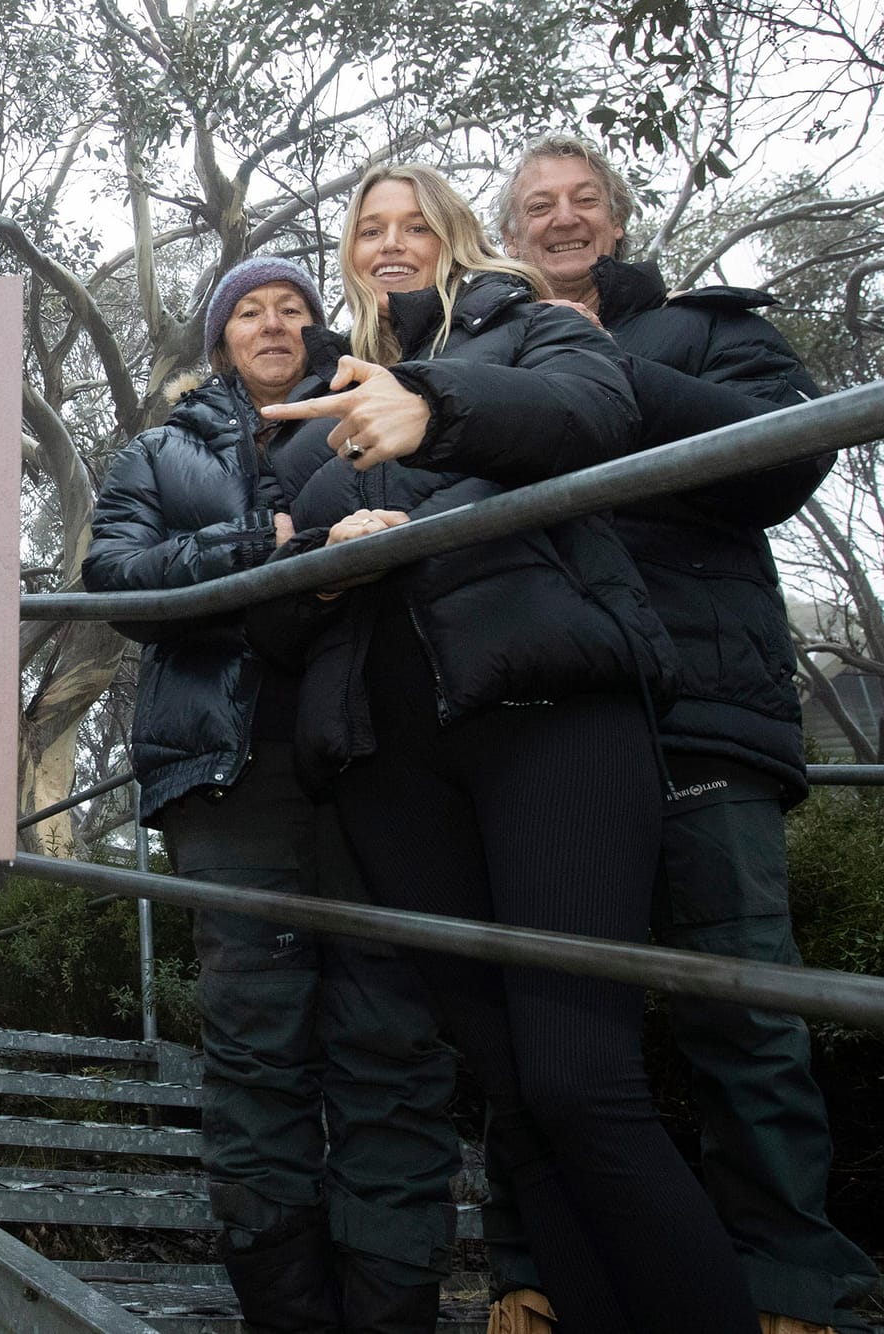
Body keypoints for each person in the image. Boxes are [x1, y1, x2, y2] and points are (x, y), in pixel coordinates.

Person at [251, 162, 761, 1334]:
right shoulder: (306, 423)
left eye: (411, 225)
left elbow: (598, 419)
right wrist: (325, 565)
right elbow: (266, 622)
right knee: (517, 1103)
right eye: (365, 230)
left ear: (454, 236)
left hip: (547, 723)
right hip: (388, 764)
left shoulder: (528, 329)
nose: (388, 244)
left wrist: (430, 407)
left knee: (581, 1086)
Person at [489, 132, 874, 1334]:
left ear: (613, 218)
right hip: (543, 720)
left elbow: (786, 457)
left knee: (735, 1004)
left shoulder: (700, 330)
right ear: (506, 234)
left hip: (697, 713)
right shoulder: (480, 353)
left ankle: (792, 1278)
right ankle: (530, 1261)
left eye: (580, 201)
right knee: (539, 1006)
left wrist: (602, 370)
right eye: (535, 206)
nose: (558, 219)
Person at [83, 256, 459, 1334]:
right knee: (256, 1054)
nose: (273, 322)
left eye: (293, 308)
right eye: (248, 311)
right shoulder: (159, 451)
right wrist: (274, 546)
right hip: (229, 777)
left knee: (394, 1047)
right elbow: (116, 582)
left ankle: (392, 1314)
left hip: (380, 770)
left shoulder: (378, 415)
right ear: (219, 340)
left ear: (318, 331)